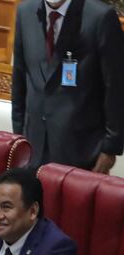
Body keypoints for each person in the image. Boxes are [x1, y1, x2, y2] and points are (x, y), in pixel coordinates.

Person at [11, 0, 124, 173]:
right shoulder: (25, 12)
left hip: (82, 152)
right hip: (32, 147)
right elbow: (19, 79)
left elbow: (116, 88)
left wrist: (110, 148)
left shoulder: (100, 17)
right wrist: (18, 136)